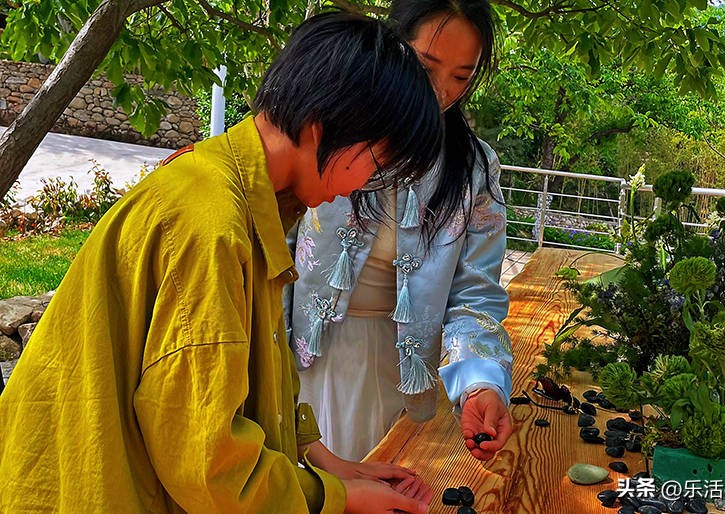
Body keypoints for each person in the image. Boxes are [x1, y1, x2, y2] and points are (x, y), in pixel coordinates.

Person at [0, 12, 442, 514]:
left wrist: (325, 462)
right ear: (325, 127)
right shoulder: (211, 225)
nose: (366, 185)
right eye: (375, 163)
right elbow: (206, 462)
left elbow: (251, 374)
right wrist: (334, 498)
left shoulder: (245, 198)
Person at [285, 0, 513, 463]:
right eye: (426, 66)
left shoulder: (472, 169)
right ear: (391, 47)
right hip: (304, 354)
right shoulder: (326, 126)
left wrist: (479, 382)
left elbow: (475, 293)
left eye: (461, 77)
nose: (440, 91)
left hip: (407, 371)